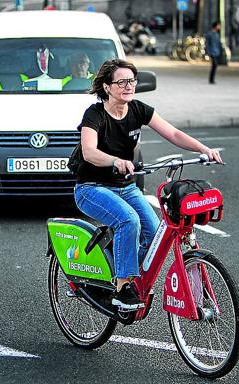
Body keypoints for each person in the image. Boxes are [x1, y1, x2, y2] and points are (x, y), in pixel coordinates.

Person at [74, 59, 222, 310]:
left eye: (131, 80)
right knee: (128, 220)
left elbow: (173, 134)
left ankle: (128, 275)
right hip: (92, 187)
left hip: (126, 186)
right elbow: (89, 152)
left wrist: (204, 149)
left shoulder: (138, 110)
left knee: (154, 233)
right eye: (121, 82)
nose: (128, 86)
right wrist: (115, 161)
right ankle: (123, 288)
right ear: (107, 87)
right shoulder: (95, 114)